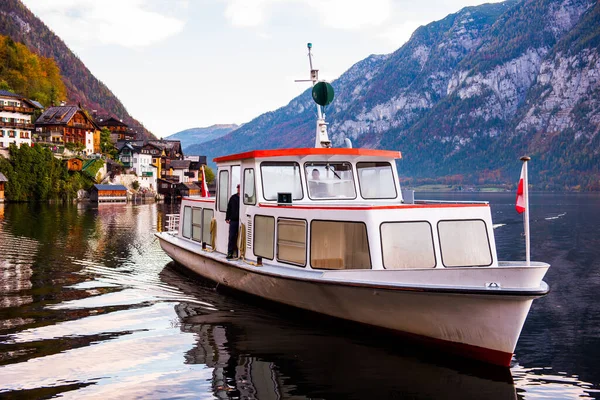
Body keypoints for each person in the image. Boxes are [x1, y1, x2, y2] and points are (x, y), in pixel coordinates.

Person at [225, 184, 240, 259]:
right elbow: (229, 208)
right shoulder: (233, 198)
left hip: (242, 221)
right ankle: (230, 253)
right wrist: (227, 218)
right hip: (234, 220)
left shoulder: (246, 197)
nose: (239, 189)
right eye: (238, 188)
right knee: (231, 237)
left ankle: (239, 253)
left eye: (240, 188)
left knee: (240, 237)